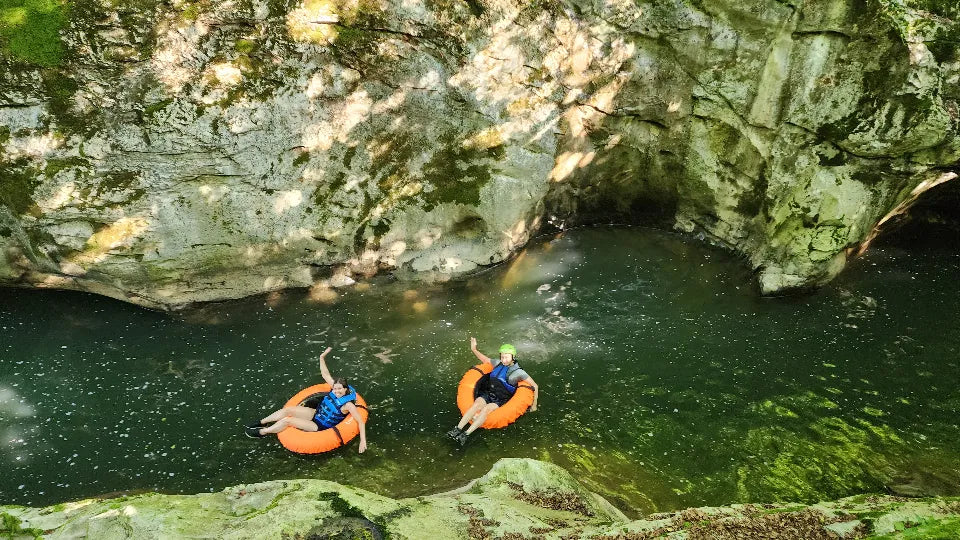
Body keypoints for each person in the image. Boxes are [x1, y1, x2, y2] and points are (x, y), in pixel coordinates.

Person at [245, 347, 367, 453]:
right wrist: (322, 357)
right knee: (288, 410)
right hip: (316, 413)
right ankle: (262, 422)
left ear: (345, 389)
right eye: (335, 389)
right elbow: (325, 374)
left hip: (319, 425)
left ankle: (263, 432)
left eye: (339, 389)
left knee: (287, 421)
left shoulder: (348, 405)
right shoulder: (334, 388)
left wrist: (363, 441)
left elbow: (360, 422)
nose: (336, 391)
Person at [446, 337, 538, 446]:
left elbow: (535, 386)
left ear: (513, 357)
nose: (504, 360)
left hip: (500, 399)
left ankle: (465, 434)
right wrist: (474, 349)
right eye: (502, 357)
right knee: (476, 404)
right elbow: (485, 359)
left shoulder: (518, 373)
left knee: (486, 410)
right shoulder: (497, 363)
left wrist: (534, 405)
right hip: (489, 393)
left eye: (507, 357)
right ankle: (457, 429)